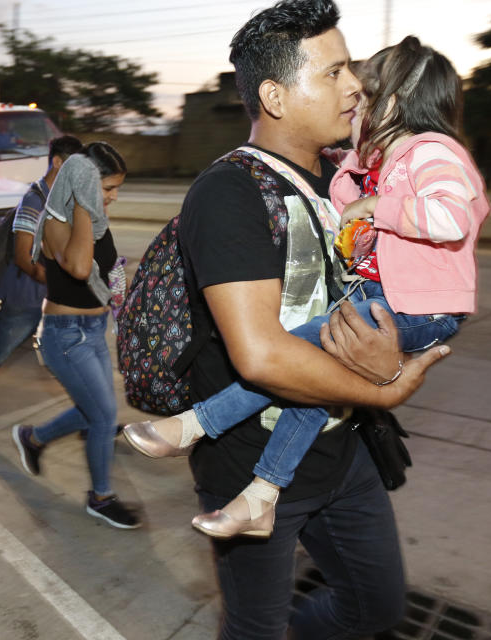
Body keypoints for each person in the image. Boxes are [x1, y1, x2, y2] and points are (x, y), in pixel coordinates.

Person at [127, 0, 448, 636]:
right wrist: (389, 383)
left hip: (344, 450)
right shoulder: (230, 192)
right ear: (274, 95)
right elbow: (263, 355)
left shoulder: (340, 183)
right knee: (255, 628)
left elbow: (393, 296)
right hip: (249, 465)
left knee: (376, 608)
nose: (354, 85)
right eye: (332, 73)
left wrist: (389, 355)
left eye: (350, 68)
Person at [10, 142, 140, 530]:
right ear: (83, 183)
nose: (113, 197)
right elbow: (80, 268)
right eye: (107, 188)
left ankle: (34, 438)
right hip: (65, 338)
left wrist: (122, 298)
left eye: (117, 189)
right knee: (103, 417)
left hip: (95, 331)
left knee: (94, 411)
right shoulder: (57, 219)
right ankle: (100, 497)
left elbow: (105, 268)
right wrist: (85, 203)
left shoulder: (94, 219)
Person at [0, 135, 83, 433]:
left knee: (74, 355)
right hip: (26, 298)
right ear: (58, 162)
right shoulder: (33, 201)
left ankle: (90, 414)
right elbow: (24, 258)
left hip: (54, 299)